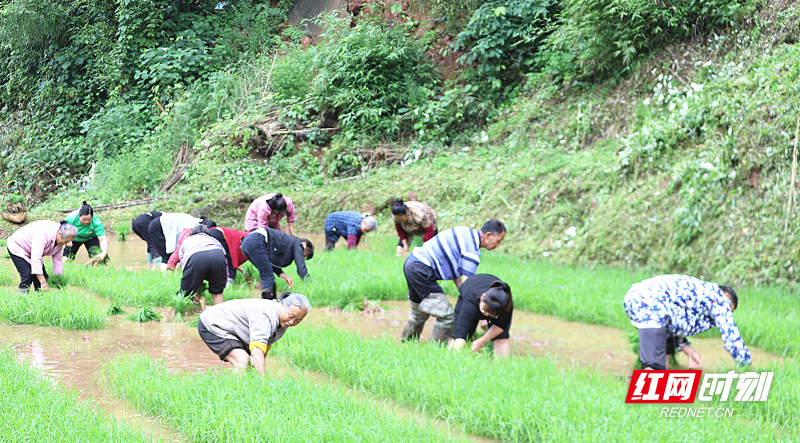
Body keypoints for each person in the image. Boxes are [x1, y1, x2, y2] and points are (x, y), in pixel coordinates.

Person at [401, 220, 506, 343]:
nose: (498, 245)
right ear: (488, 235)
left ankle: (405, 345)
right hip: (421, 270)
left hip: (412, 263)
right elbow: (469, 288)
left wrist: (465, 296)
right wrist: (482, 316)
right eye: (498, 241)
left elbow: (458, 279)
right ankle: (434, 352)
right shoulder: (472, 251)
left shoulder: (465, 232)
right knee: (448, 316)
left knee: (419, 312)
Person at [623, 274, 752, 370]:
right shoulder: (719, 299)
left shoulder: (701, 292)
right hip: (650, 303)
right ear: (727, 296)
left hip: (637, 298)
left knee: (665, 343)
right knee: (653, 364)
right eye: (730, 309)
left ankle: (658, 392)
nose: (727, 313)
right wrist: (746, 365)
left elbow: (677, 323)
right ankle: (648, 398)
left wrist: (689, 351)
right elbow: (731, 337)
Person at [197, 292, 311, 376]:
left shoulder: (282, 319)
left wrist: (259, 372)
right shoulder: (265, 315)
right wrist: (263, 379)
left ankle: (247, 392)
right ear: (283, 305)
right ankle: (235, 396)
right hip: (213, 323)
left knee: (250, 368)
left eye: (298, 320)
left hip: (233, 328)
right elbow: (257, 350)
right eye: (291, 316)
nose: (292, 322)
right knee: (242, 360)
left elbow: (263, 346)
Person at [240, 227, 313, 300]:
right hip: (257, 240)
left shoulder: (288, 242)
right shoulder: (297, 243)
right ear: (304, 244)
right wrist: (310, 284)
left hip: (246, 243)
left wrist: (281, 274)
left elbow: (268, 263)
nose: (302, 256)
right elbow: (301, 268)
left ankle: (273, 303)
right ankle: (267, 307)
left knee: (268, 275)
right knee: (268, 278)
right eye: (304, 254)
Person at [448, 275, 513, 357]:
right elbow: (460, 335)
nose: (486, 315)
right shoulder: (470, 301)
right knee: (460, 336)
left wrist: (481, 341)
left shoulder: (505, 304)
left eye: (491, 315)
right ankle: (449, 360)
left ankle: (502, 367)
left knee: (501, 338)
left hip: (493, 305)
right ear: (482, 296)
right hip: (471, 289)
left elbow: (500, 326)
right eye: (484, 311)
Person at [7, 220, 77, 292]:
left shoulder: (61, 237)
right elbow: (36, 258)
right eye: (66, 241)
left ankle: (40, 298)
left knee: (43, 276)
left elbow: (57, 260)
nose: (68, 244)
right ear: (59, 233)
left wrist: (58, 280)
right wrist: (43, 284)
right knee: (27, 275)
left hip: (32, 250)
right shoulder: (44, 233)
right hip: (18, 246)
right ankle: (22, 298)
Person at [170, 224, 228, 310]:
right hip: (217, 256)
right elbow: (224, 259)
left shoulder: (187, 240)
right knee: (217, 292)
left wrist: (193, 285)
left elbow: (185, 264)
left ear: (191, 234)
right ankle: (220, 319)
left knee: (185, 292)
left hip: (196, 257)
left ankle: (180, 316)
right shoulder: (214, 240)